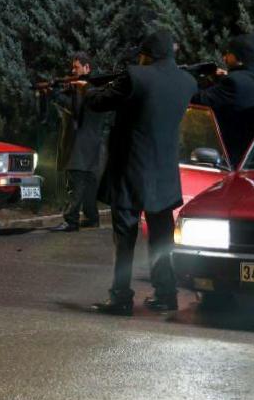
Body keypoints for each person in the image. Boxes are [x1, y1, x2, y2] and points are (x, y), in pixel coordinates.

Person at [85, 29, 198, 315]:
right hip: (164, 175)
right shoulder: (187, 81)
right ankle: (166, 294)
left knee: (124, 238)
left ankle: (120, 297)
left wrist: (84, 88)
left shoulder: (135, 76)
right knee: (162, 239)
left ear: (147, 54)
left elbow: (98, 102)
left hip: (131, 171)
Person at [192, 33, 254, 165]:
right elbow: (244, 88)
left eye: (229, 53)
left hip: (230, 155)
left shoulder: (234, 82)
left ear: (239, 57)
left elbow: (199, 99)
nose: (225, 57)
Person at [49, 52, 108, 232]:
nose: (72, 70)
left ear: (87, 67)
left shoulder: (85, 87)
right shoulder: (96, 87)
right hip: (93, 144)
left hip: (81, 144)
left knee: (76, 183)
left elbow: (76, 109)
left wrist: (56, 94)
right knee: (89, 184)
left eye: (76, 67)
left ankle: (71, 220)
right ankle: (91, 218)